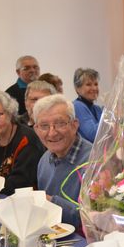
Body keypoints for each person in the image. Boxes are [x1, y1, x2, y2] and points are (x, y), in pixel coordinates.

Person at [33, 94, 92, 228]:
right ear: (36, 129)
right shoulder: (44, 160)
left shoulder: (93, 162)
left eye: (60, 124)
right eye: (44, 126)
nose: (52, 133)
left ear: (75, 125)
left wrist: (51, 202)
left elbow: (94, 219)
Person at [73, 68, 102, 143]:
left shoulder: (97, 109)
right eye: (88, 84)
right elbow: (93, 134)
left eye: (96, 84)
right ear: (77, 88)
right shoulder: (77, 106)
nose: (94, 88)